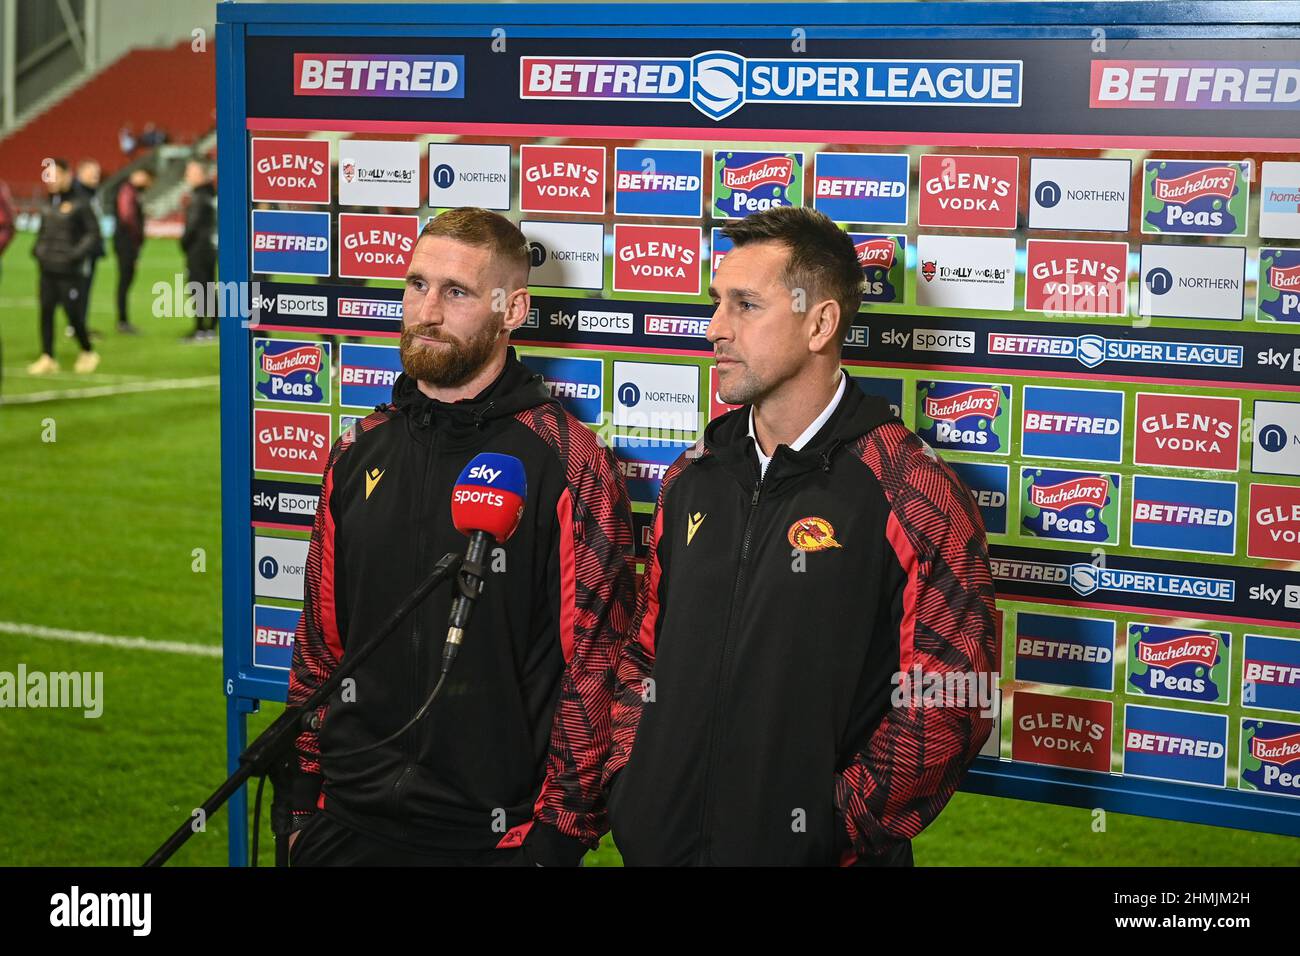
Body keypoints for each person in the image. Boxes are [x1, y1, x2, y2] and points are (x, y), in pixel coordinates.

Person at [603, 206, 998, 866]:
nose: (714, 329)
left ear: (820, 324)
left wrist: (826, 830)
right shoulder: (693, 476)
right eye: (716, 303)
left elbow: (953, 698)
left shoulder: (912, 490)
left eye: (745, 305)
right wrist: (632, 784)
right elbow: (645, 652)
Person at [285, 207, 637, 866]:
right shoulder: (358, 449)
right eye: (416, 285)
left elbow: (596, 664)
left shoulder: (568, 461)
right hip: (347, 820)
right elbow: (320, 638)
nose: (426, 311)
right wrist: (303, 795)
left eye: (457, 292)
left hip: (492, 836)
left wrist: (558, 838)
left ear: (513, 310)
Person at [29, 159, 100, 374]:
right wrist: (38, 250)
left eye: (55, 175)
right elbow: (43, 232)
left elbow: (93, 233)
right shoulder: (48, 203)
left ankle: (87, 350)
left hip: (69, 271)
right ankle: (47, 356)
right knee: (46, 312)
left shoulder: (81, 203)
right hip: (47, 268)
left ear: (68, 175)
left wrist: (75, 255)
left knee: (72, 314)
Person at [179, 160, 217, 341]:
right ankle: (212, 327)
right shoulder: (210, 195)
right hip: (210, 248)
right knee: (209, 287)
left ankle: (201, 328)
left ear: (200, 175)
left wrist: (184, 243)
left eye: (190, 172)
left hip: (198, 249)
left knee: (198, 288)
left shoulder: (199, 198)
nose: (187, 176)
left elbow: (192, 227)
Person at [113, 168, 152, 334]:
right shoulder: (128, 191)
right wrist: (137, 239)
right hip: (126, 243)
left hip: (127, 243)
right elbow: (127, 217)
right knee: (125, 282)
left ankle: (123, 320)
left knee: (125, 281)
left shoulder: (131, 192)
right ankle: (123, 321)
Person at [71, 160, 106, 337]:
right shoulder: (79, 196)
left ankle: (80, 325)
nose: (96, 176)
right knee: (81, 288)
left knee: (85, 288)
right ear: (80, 173)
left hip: (89, 250)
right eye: (92, 172)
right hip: (83, 251)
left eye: (97, 173)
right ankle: (77, 327)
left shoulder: (91, 194)